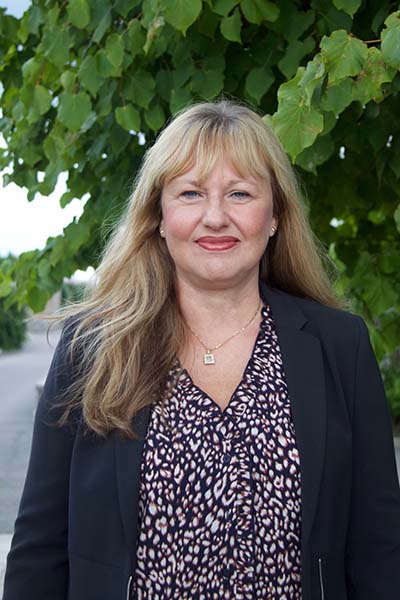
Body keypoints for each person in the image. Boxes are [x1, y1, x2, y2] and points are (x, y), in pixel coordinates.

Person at [3, 99, 400, 600]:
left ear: (274, 215)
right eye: (191, 193)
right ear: (159, 217)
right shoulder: (94, 348)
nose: (216, 217)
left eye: (239, 193)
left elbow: (380, 547)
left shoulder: (339, 346)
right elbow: (40, 548)